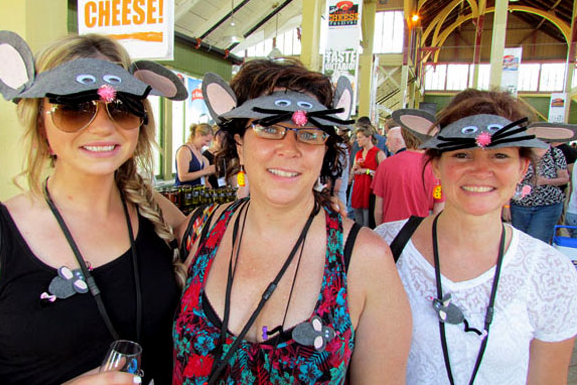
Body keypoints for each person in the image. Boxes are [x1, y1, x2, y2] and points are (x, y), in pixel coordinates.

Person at [173, 59, 411, 384]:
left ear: (325, 150)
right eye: (269, 127)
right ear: (238, 142)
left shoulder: (364, 259)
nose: (290, 148)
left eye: (310, 133)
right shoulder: (198, 232)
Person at [0, 31, 188, 384]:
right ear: (40, 123)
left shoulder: (156, 213)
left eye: (122, 106)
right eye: (75, 108)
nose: (103, 127)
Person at [376, 89, 577, 384]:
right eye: (462, 154)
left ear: (522, 168)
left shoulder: (551, 273)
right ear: (436, 165)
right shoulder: (383, 248)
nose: (481, 170)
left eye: (499, 155)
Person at [371, 122, 444, 226]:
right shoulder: (436, 168)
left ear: (404, 137)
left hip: (390, 231)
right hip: (420, 231)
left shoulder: (385, 165)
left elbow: (379, 210)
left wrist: (381, 230)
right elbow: (439, 205)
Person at [508, 143, 568, 244]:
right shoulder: (521, 151)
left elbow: (564, 179)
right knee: (518, 241)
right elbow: (508, 179)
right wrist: (506, 205)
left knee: (537, 241)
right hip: (520, 205)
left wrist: (545, 181)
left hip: (548, 205)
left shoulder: (555, 153)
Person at [350, 126, 385, 227]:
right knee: (358, 220)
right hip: (358, 191)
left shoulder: (378, 153)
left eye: (360, 137)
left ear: (369, 137)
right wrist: (354, 169)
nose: (358, 140)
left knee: (368, 222)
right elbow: (351, 175)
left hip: (371, 193)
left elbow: (383, 175)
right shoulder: (359, 153)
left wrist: (367, 171)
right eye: (357, 137)